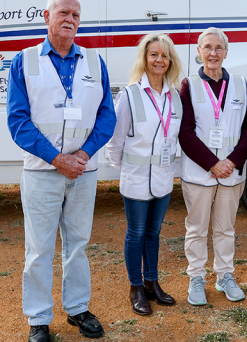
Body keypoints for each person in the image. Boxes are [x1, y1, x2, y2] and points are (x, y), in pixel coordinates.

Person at [7, 0, 115, 342]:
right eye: (64, 12)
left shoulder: (96, 62)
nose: (70, 19)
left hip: (83, 171)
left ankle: (78, 309)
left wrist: (82, 155)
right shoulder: (24, 61)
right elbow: (18, 121)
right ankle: (38, 319)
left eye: (76, 15)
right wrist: (58, 159)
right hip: (42, 172)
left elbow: (107, 116)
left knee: (78, 244)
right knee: (39, 248)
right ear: (47, 16)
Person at [106, 33, 184, 316]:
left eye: (165, 55)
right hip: (136, 177)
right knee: (136, 232)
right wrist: (122, 169)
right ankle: (136, 287)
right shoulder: (129, 95)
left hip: (163, 177)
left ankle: (152, 283)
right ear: (144, 58)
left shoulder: (175, 97)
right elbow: (116, 140)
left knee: (154, 232)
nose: (159, 60)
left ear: (170, 61)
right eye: (154, 54)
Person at [178, 27, 247, 306]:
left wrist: (232, 161)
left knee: (226, 229)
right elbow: (185, 132)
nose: (213, 53)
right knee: (196, 228)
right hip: (200, 172)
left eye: (218, 48)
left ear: (226, 52)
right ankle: (196, 278)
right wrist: (213, 163)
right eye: (207, 47)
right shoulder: (188, 85)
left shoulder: (239, 83)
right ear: (198, 52)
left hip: (232, 172)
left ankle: (224, 276)